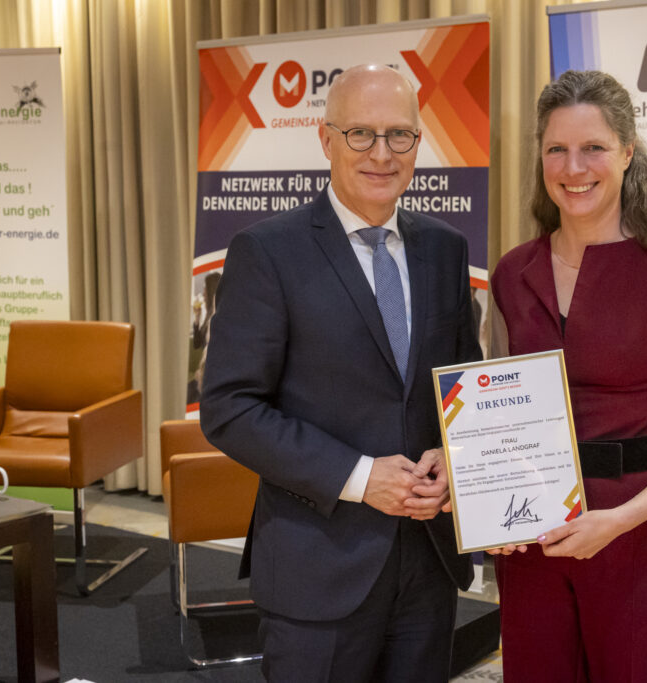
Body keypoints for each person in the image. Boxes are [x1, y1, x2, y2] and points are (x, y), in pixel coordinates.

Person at [199, 64, 482, 682]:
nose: (382, 154)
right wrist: (359, 477)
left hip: (428, 562)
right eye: (361, 134)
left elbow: (464, 384)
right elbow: (229, 408)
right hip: (318, 569)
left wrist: (453, 455)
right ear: (326, 140)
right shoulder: (267, 251)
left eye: (399, 135)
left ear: (418, 142)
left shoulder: (446, 248)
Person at [488, 70, 647, 682]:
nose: (574, 167)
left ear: (627, 152)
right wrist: (489, 506)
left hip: (639, 538)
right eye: (557, 149)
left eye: (593, 147)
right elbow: (500, 415)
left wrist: (619, 521)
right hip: (535, 537)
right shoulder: (513, 273)